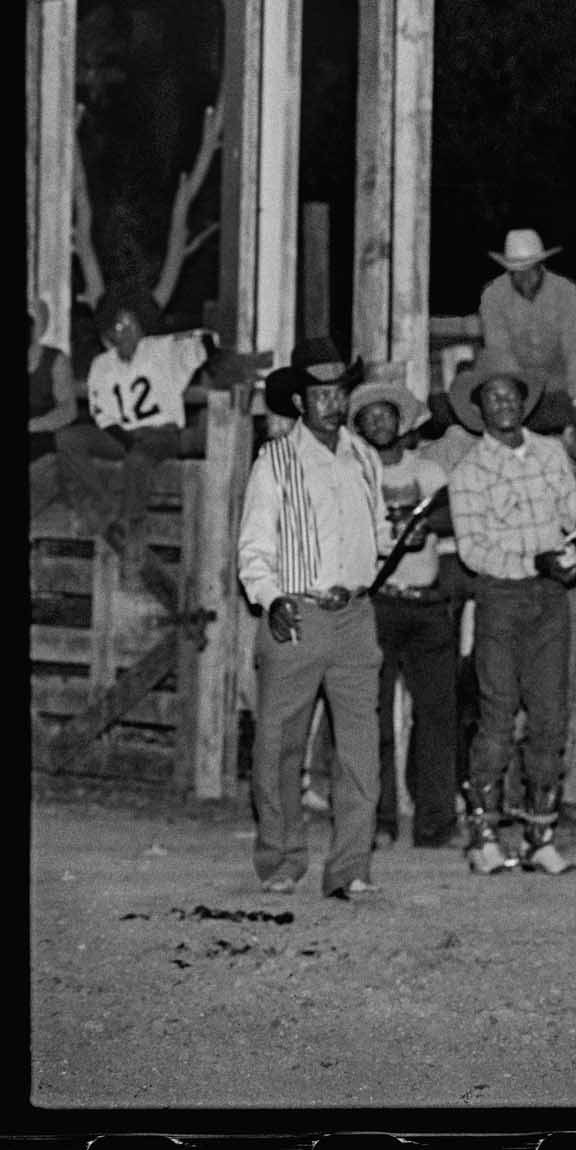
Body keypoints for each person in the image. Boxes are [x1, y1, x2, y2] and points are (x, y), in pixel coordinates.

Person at [236, 338, 387, 900]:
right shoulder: (275, 460)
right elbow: (252, 545)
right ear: (299, 401)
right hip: (296, 613)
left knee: (359, 751)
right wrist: (271, 597)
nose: (330, 403)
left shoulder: (365, 458)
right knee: (278, 744)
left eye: (338, 392)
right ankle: (281, 858)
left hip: (355, 615)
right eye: (319, 394)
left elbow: (377, 535)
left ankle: (349, 867)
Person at [447, 356, 576, 876]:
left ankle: (541, 834)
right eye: (492, 398)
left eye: (511, 395)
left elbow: (569, 501)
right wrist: (528, 562)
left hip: (551, 598)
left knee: (551, 715)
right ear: (479, 409)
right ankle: (484, 834)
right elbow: (472, 551)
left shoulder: (549, 451)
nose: (504, 404)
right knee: (497, 716)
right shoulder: (469, 471)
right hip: (500, 598)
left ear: (523, 400)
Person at [348, 372, 460, 850]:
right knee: (372, 715)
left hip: (426, 604)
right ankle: (379, 819)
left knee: (436, 715)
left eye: (385, 415)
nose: (378, 423)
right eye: (368, 418)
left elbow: (454, 521)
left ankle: (435, 823)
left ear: (401, 421)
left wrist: (429, 525)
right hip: (375, 603)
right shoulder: (353, 476)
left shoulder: (431, 473)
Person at [54, 293, 212, 561]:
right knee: (68, 438)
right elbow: (102, 414)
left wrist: (201, 339)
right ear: (109, 333)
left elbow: (202, 345)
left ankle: (130, 528)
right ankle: (102, 502)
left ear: (142, 327)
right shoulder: (102, 365)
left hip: (161, 432)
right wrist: (126, 439)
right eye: (118, 327)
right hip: (123, 435)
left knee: (138, 460)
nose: (125, 332)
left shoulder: (160, 350)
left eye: (131, 325)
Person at [477, 228, 576, 434]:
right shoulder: (492, 295)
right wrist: (520, 399)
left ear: (540, 265)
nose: (524, 277)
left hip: (558, 387)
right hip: (515, 388)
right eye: (517, 271)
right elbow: (499, 351)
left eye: (529, 269)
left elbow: (575, 348)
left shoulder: (567, 291)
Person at [29, 299, 78, 519]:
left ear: (43, 325)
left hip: (42, 445)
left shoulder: (54, 360)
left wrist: (34, 425)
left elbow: (68, 409)